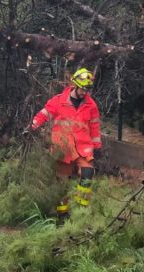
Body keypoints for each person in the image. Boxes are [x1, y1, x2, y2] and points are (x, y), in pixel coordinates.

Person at [29, 68, 103, 222]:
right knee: (62, 184)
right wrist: (32, 126)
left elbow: (95, 127)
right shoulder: (58, 101)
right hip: (62, 149)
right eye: (82, 88)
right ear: (75, 85)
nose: (84, 92)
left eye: (87, 89)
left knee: (87, 175)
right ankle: (62, 216)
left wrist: (97, 146)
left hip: (83, 148)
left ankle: (81, 212)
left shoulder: (91, 105)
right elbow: (44, 114)